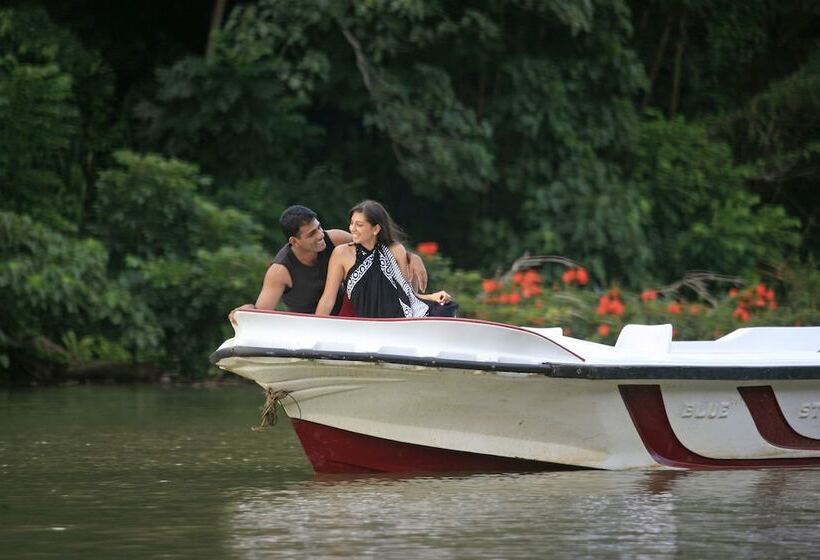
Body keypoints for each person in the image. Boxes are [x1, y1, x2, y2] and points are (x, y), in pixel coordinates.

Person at [229, 205, 428, 322]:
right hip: (315, 323)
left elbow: (374, 244)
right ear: (294, 242)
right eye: (312, 234)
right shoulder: (280, 271)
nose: (320, 235)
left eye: (319, 228)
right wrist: (247, 314)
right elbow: (263, 313)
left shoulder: (334, 238)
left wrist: (411, 256)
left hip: (352, 309)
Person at [315, 200, 456, 318]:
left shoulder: (395, 250)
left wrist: (433, 297)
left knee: (446, 308)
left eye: (359, 225)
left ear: (376, 229)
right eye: (352, 223)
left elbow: (407, 294)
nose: (352, 229)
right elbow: (328, 298)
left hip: (399, 319)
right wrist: (315, 327)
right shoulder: (341, 253)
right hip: (369, 325)